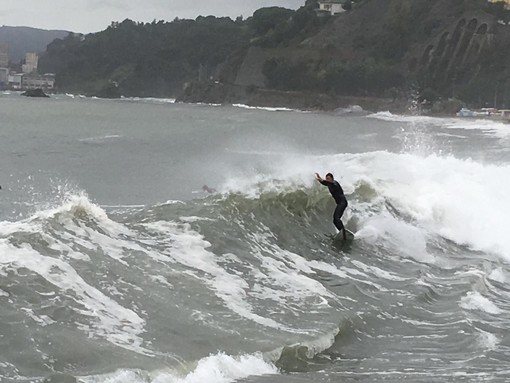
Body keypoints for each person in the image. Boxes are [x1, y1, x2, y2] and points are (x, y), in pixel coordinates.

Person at [315, 172, 348, 240]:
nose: (327, 180)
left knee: (336, 218)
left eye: (329, 178)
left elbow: (330, 183)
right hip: (339, 203)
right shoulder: (329, 184)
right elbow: (325, 183)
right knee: (335, 220)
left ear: (332, 178)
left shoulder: (335, 183)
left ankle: (344, 232)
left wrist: (323, 180)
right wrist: (319, 179)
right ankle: (342, 232)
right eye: (326, 178)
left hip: (343, 202)